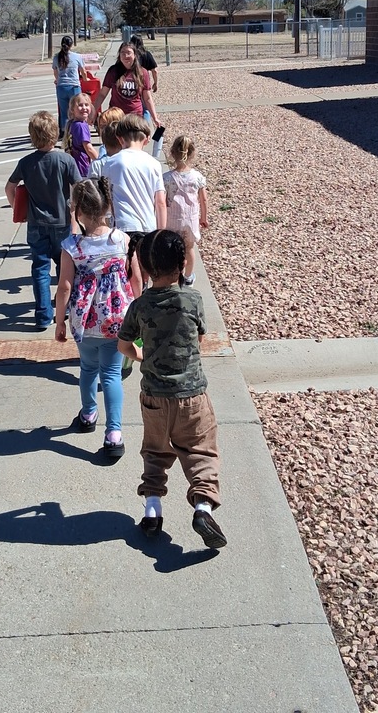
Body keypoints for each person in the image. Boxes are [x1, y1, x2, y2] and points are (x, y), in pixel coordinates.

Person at [118, 230, 226, 549]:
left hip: (153, 396)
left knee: (154, 453)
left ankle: (152, 511)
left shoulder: (139, 306)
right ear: (182, 263)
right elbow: (200, 340)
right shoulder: (192, 300)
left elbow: (124, 345)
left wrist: (143, 356)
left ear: (146, 269)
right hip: (192, 395)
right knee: (200, 451)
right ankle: (203, 508)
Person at [55, 178, 134, 460]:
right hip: (116, 319)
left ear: (76, 210)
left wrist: (60, 321)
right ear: (108, 205)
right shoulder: (121, 240)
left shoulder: (72, 247)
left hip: (85, 319)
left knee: (88, 369)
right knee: (112, 375)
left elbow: (65, 286)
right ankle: (114, 434)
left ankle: (88, 414)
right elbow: (132, 279)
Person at [6, 110, 80, 330]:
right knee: (64, 268)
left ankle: (42, 315)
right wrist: (75, 213)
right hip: (62, 222)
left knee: (39, 269)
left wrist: (17, 209)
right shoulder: (65, 160)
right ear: (55, 133)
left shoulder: (25, 162)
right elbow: (78, 187)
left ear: (32, 136)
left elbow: (10, 187)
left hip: (36, 223)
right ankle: (63, 308)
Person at [98, 114, 165, 234]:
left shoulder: (111, 163)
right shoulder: (154, 164)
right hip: (149, 225)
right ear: (147, 139)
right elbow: (160, 202)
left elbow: (105, 196)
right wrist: (161, 233)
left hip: (123, 225)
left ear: (119, 139)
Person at [163, 135, 209, 286]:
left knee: (172, 249)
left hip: (171, 219)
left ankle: (173, 275)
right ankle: (188, 276)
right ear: (192, 153)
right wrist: (204, 217)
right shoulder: (197, 177)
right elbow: (203, 199)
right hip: (190, 219)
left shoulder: (167, 178)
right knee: (189, 248)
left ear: (172, 153)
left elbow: (162, 201)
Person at [91, 42, 161, 128]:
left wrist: (155, 118)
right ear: (119, 55)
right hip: (116, 117)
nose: (125, 56)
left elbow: (147, 98)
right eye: (122, 53)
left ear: (135, 55)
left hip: (135, 117)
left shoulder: (143, 72)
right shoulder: (113, 71)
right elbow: (102, 94)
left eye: (128, 53)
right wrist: (92, 112)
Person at [52, 36, 85, 135]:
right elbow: (83, 71)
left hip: (61, 87)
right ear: (71, 45)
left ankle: (66, 132)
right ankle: (78, 131)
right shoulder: (77, 57)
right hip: (74, 87)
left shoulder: (56, 57)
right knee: (77, 110)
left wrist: (57, 80)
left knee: (64, 112)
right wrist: (85, 78)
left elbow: (55, 72)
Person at [63, 92, 98, 177]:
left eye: (87, 105)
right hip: (82, 167)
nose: (84, 108)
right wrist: (100, 161)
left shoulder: (73, 124)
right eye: (80, 105)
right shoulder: (81, 126)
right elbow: (88, 148)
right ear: (72, 109)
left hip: (75, 165)